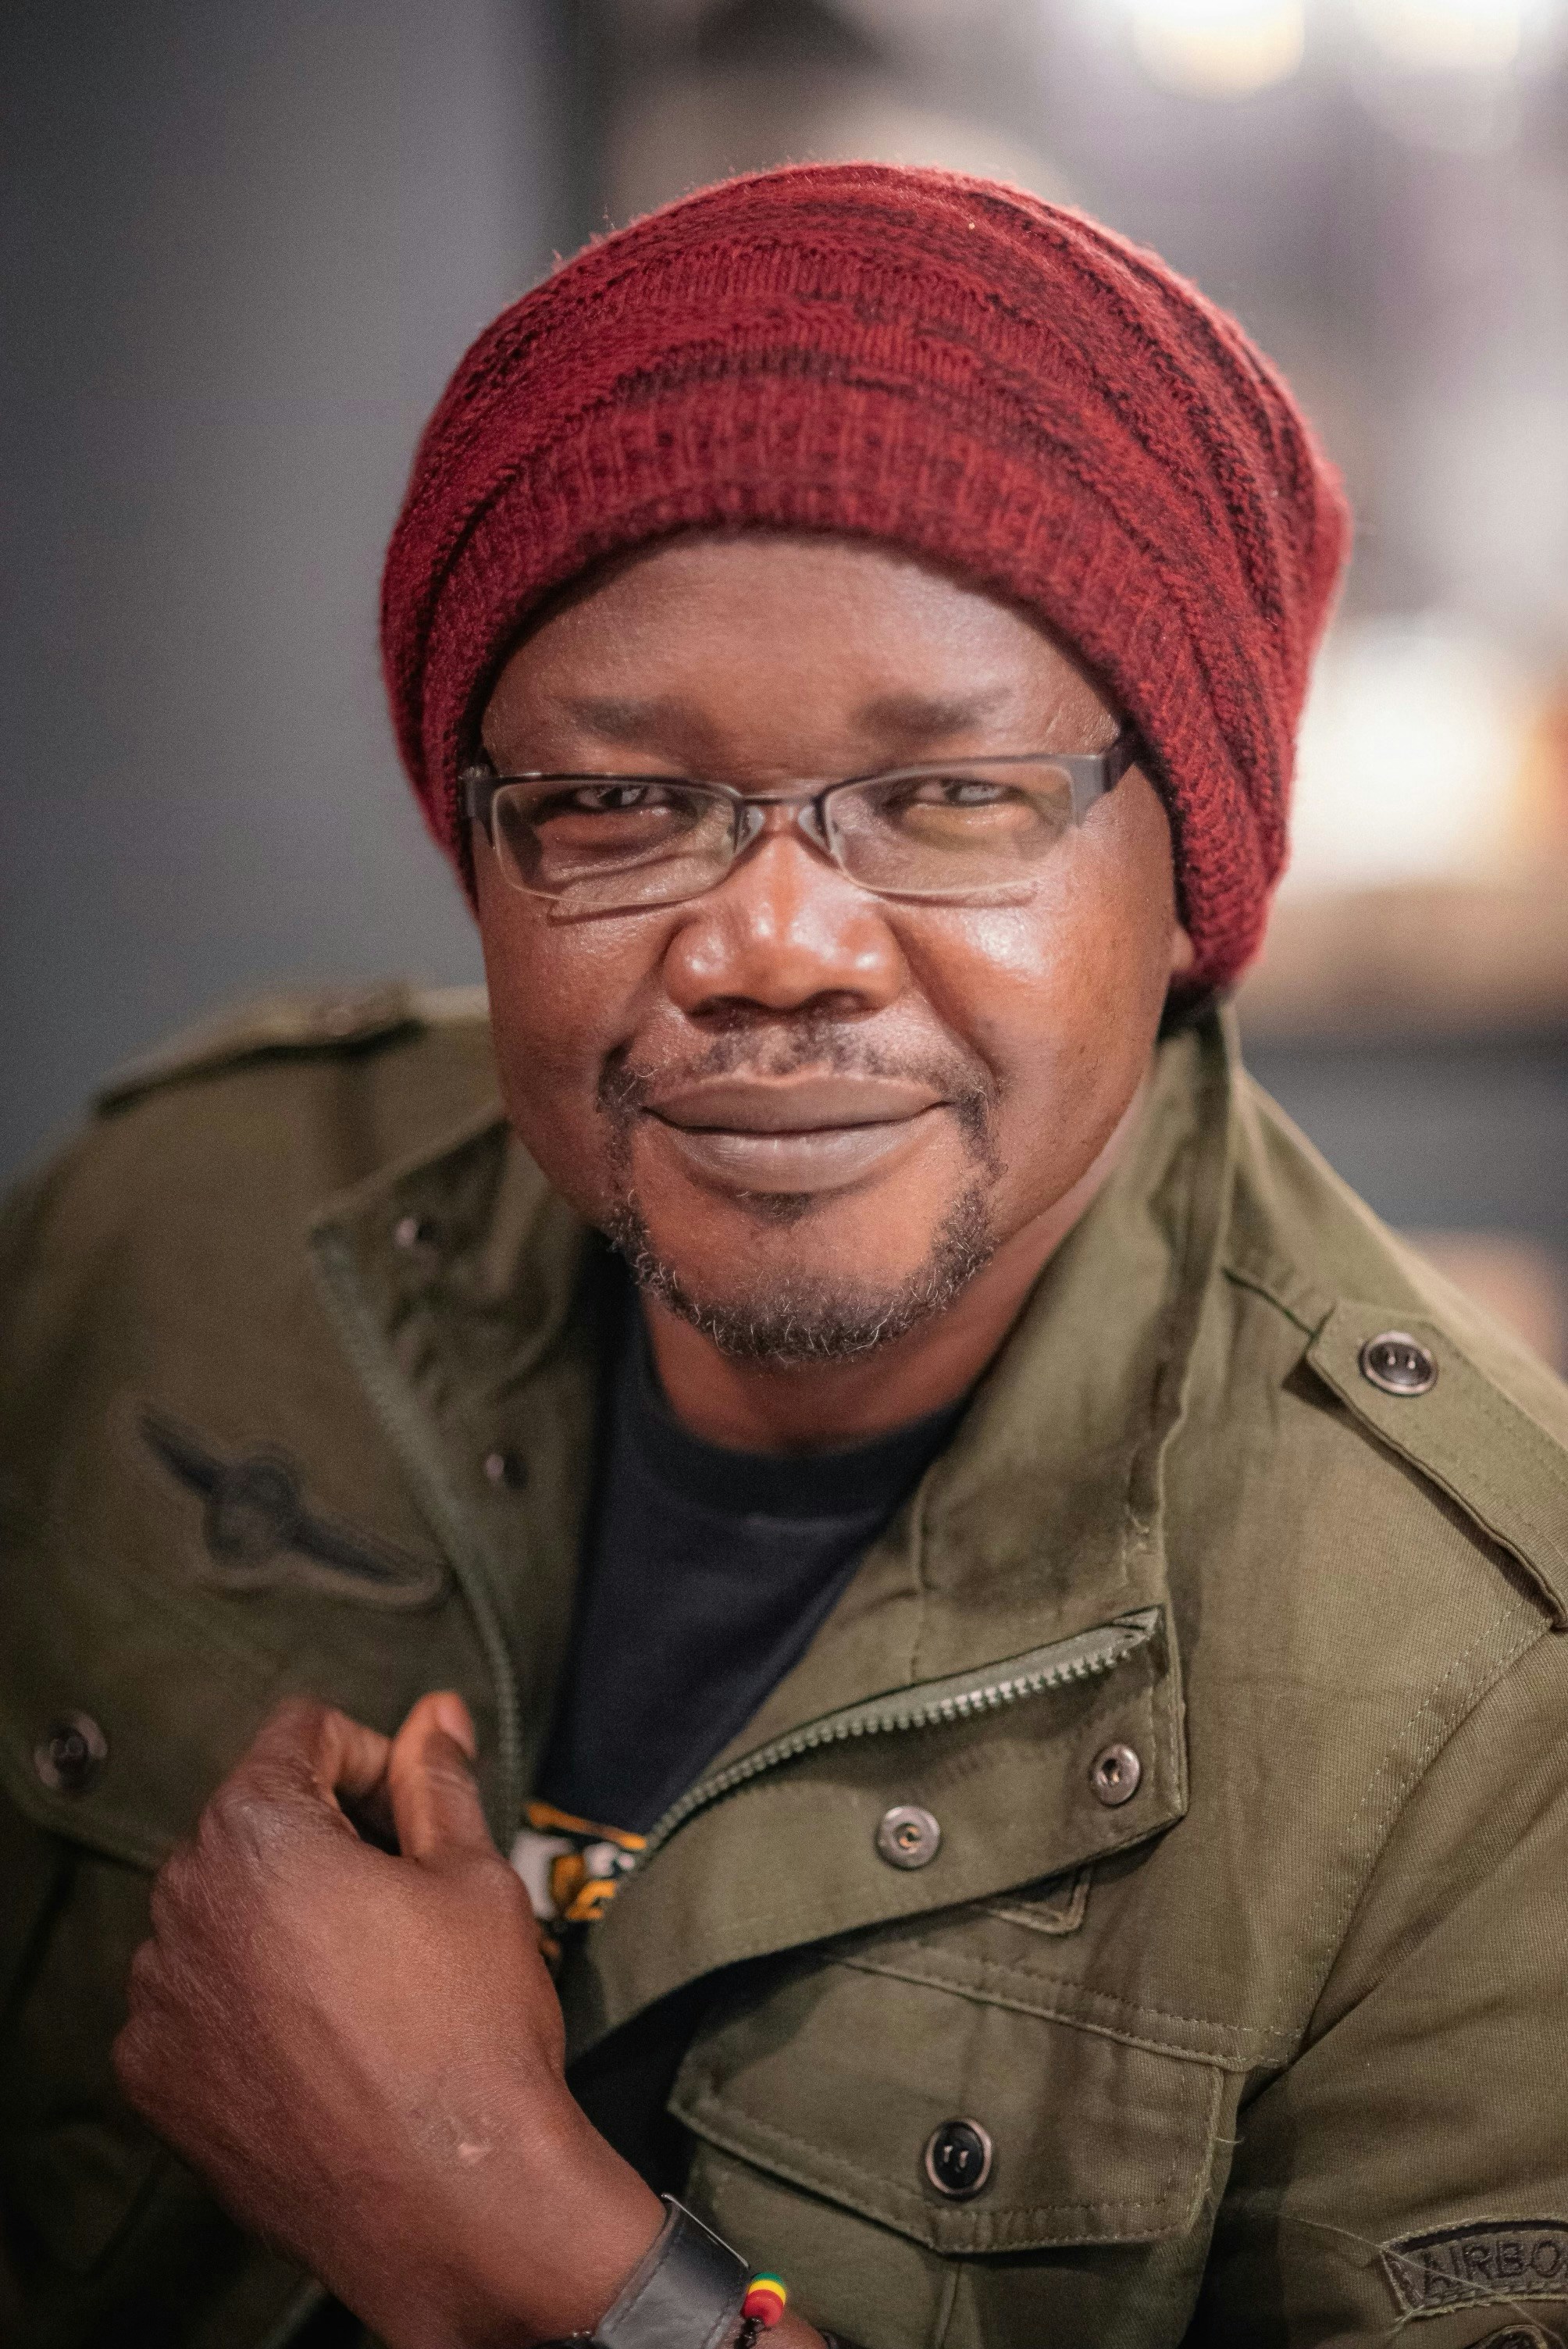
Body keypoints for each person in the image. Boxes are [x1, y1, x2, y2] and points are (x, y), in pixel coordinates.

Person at [2, 162, 1565, 2349]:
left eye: (945, 798)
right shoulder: (161, 1246)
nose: (769, 945)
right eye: (619, 806)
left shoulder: (1487, 1699)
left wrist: (520, 2250)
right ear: (481, 850)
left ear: (1187, 870)